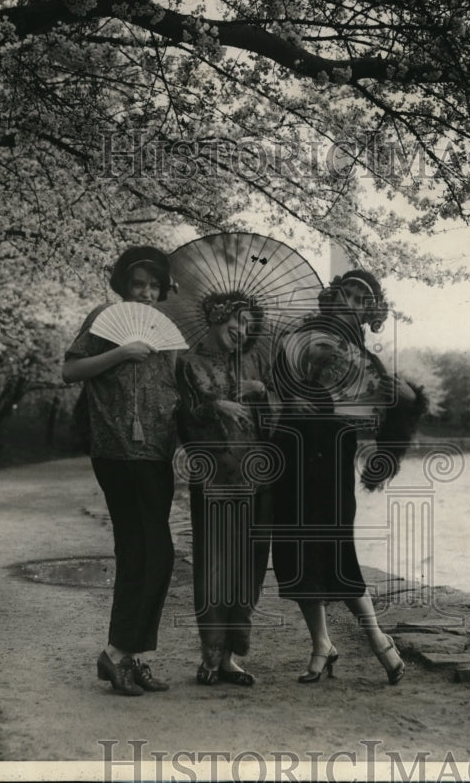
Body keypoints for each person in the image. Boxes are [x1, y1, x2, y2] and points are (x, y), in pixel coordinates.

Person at [270, 269, 425, 684]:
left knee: (335, 549)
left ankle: (377, 637)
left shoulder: (366, 360)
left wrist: (404, 397)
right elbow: (272, 388)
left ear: (367, 314)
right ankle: (321, 643)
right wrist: (289, 402)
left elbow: (384, 414)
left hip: (332, 459)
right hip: (290, 455)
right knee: (296, 551)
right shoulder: (296, 338)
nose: (352, 305)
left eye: (361, 301)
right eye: (348, 295)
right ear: (332, 298)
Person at [62, 246, 180, 696]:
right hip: (116, 452)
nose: (147, 293)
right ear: (123, 286)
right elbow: (70, 370)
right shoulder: (104, 318)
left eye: (154, 285)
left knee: (142, 555)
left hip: (157, 454)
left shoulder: (166, 335)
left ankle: (133, 658)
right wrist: (120, 353)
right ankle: (116, 654)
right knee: (153, 552)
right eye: (138, 284)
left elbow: (174, 391)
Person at [176, 291, 275, 686]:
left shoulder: (250, 362)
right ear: (217, 317)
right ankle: (210, 655)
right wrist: (213, 406)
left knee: (249, 564)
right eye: (237, 321)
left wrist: (261, 393)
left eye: (249, 324)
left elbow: (270, 422)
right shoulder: (187, 364)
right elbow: (180, 418)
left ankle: (231, 657)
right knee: (216, 565)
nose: (242, 329)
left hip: (256, 475)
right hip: (214, 476)